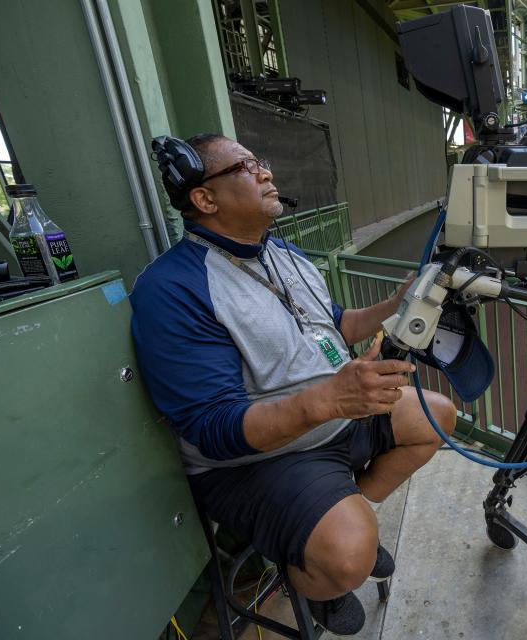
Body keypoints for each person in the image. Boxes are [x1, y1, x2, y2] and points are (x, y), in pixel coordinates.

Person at [131, 134, 458, 635]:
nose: (265, 172)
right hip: (258, 460)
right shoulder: (172, 288)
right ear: (205, 199)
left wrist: (398, 302)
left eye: (260, 160)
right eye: (245, 166)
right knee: (349, 556)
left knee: (438, 417)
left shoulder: (284, 254)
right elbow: (212, 430)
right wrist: (328, 399)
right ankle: (320, 576)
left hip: (332, 417)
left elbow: (336, 325)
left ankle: (345, 515)